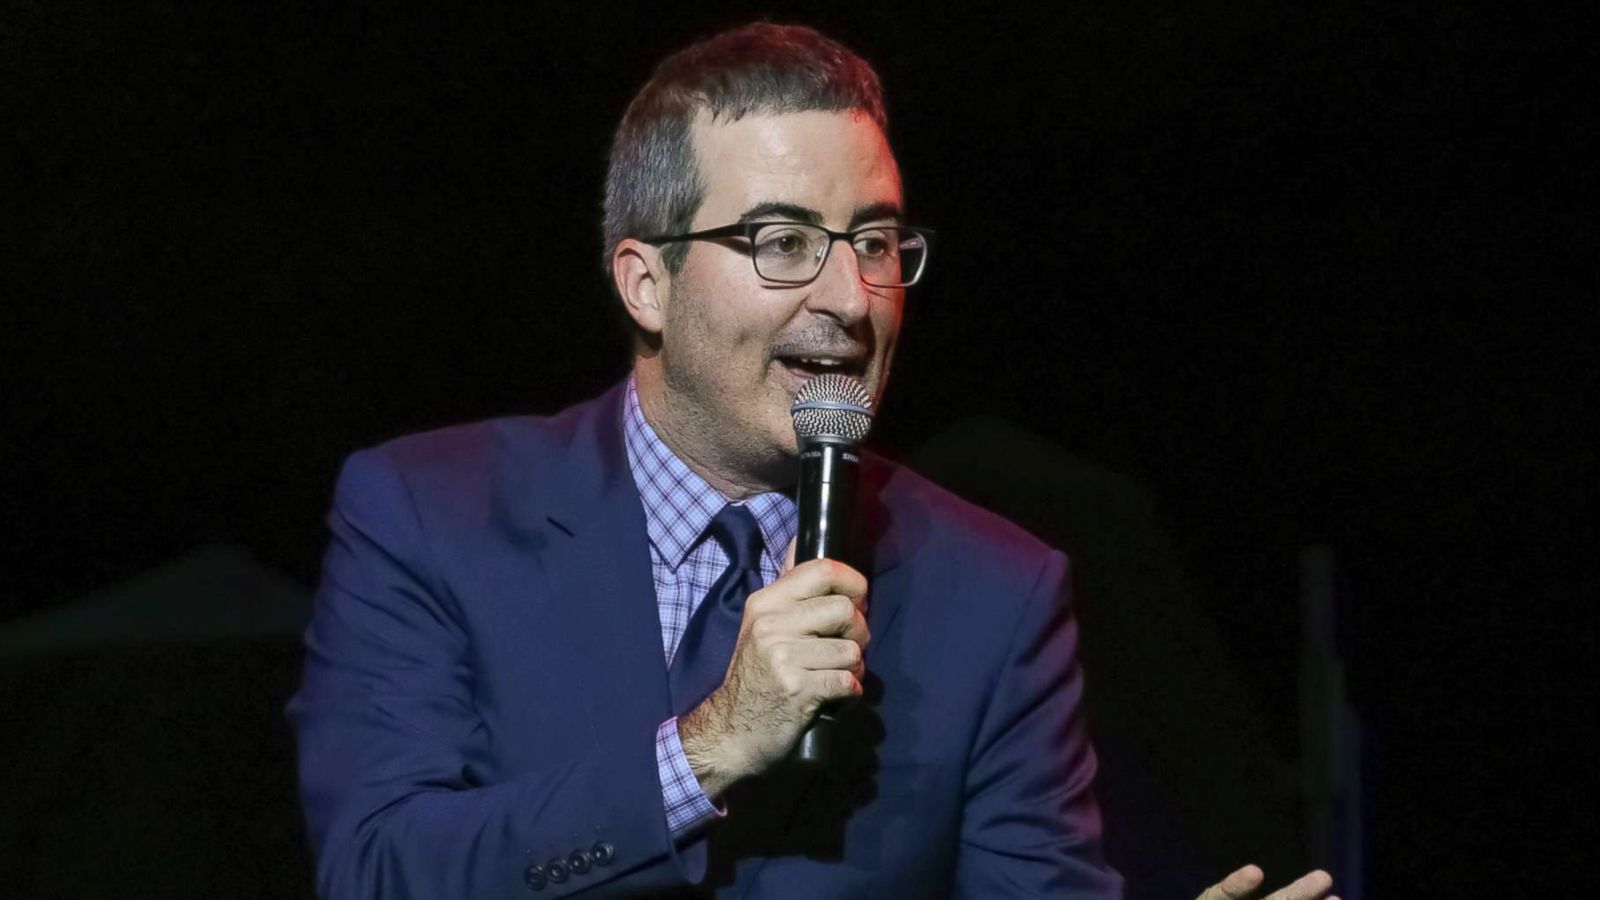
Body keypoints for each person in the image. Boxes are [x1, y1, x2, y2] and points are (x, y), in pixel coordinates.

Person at [288, 22, 1338, 900]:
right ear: (645, 283)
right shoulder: (427, 514)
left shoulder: (998, 590)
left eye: (875, 243)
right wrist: (703, 752)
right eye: (782, 242)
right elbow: (378, 869)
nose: (847, 299)